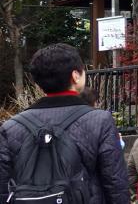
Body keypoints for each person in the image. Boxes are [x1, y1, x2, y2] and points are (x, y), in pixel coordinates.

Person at [0, 43, 130, 204]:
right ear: (76, 75)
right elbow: (115, 183)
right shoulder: (100, 120)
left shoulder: (10, 127)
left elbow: (3, 188)